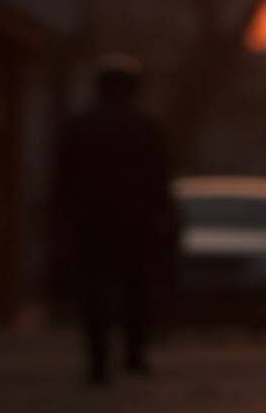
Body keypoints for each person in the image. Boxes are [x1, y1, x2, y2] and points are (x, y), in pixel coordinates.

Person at [52, 55, 175, 385]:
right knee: (134, 288)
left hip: (93, 221)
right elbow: (159, 177)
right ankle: (132, 354)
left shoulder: (81, 126)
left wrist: (64, 219)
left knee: (97, 289)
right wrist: (161, 214)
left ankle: (99, 361)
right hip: (133, 222)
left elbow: (63, 178)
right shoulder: (144, 127)